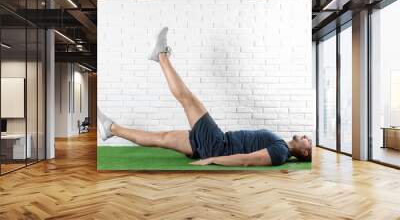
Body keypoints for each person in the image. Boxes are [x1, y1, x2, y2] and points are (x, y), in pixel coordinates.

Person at [98, 27, 312, 166]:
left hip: (217, 144)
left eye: (308, 141)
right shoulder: (281, 145)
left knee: (188, 99)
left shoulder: (280, 152)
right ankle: (111, 129)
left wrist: (212, 160)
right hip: (213, 144)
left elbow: (249, 159)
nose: (305, 137)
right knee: (160, 138)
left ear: (304, 153)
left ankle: (161, 55)